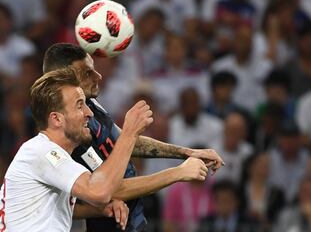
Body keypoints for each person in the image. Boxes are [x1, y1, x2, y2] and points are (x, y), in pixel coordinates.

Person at [42, 43, 224, 232]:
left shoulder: (91, 105)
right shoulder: (66, 131)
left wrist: (187, 153)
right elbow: (108, 190)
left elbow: (121, 141)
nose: (98, 76)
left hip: (129, 221)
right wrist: (178, 173)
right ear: (62, 78)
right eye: (87, 73)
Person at [0, 68, 148, 231]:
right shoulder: (42, 151)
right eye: (79, 106)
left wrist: (98, 210)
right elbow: (99, 192)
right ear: (56, 119)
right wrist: (129, 134)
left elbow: (54, 208)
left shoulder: (54, 155)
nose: (89, 112)